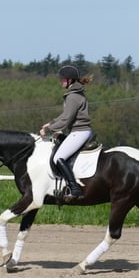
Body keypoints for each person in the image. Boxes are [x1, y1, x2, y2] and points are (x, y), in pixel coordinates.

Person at [40, 65, 93, 200]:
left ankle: (75, 189)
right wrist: (51, 123)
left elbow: (66, 120)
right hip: (80, 131)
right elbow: (65, 115)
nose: (61, 81)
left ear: (70, 80)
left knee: (59, 157)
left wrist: (48, 130)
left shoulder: (73, 97)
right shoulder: (75, 94)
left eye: (63, 79)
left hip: (79, 131)